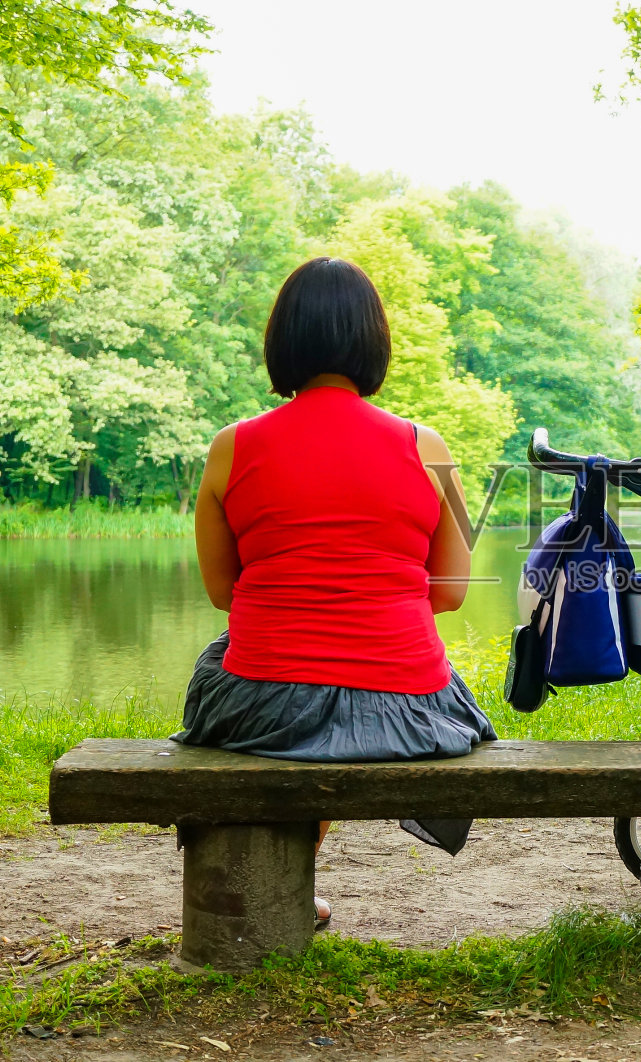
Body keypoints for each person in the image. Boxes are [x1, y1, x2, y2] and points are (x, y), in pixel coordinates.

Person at [173, 256, 496, 928]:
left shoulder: (230, 448)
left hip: (263, 700)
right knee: (330, 697)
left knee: (256, 680)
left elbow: (220, 592)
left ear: (280, 341)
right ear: (373, 342)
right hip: (407, 707)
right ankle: (289, 892)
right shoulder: (429, 446)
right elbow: (454, 592)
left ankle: (281, 890)